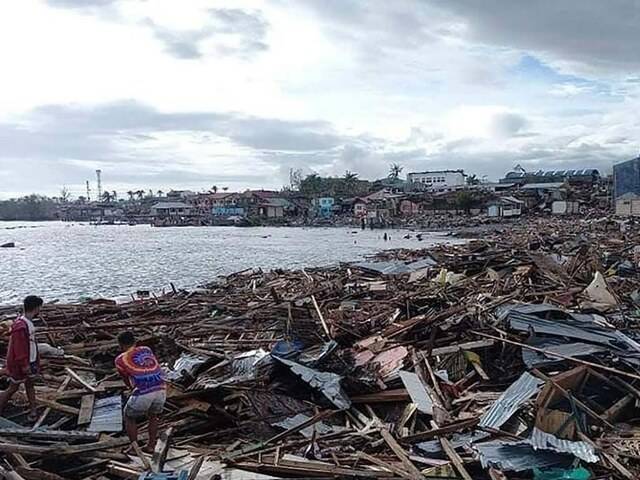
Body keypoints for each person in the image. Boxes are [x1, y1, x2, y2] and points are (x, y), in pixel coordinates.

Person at [115, 331, 165, 453]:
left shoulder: (120, 359)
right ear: (135, 341)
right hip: (161, 388)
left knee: (129, 416)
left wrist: (132, 390)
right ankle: (151, 445)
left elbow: (127, 380)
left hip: (143, 391)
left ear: (120, 345)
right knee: (153, 416)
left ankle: (134, 447)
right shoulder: (146, 349)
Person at [0, 295, 44, 420]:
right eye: (40, 307)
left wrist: (35, 361)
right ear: (36, 308)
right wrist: (25, 365)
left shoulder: (26, 323)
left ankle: (33, 410)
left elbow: (31, 344)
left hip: (31, 360)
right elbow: (19, 349)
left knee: (30, 384)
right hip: (22, 364)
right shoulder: (21, 326)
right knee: (13, 388)